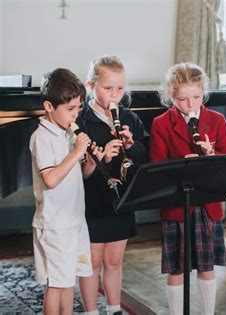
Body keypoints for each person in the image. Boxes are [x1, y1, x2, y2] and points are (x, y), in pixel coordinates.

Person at [149, 63, 226, 315]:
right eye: (182, 99)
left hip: (207, 205)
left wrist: (212, 155)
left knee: (207, 266)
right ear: (170, 97)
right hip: (177, 205)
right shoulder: (161, 123)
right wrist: (182, 165)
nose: (190, 105)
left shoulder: (216, 120)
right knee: (177, 268)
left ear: (203, 92)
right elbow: (157, 167)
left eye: (196, 97)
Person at [77, 55, 146, 315]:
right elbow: (78, 170)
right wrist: (103, 156)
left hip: (121, 201)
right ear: (91, 86)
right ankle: (91, 310)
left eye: (120, 88)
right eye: (108, 88)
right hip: (92, 202)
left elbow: (142, 159)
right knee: (91, 262)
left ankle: (114, 308)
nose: (115, 95)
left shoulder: (130, 119)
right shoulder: (82, 120)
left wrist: (132, 146)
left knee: (114, 261)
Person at [30, 68, 94, 314]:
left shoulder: (67, 132)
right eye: (70, 109)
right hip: (55, 224)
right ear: (49, 105)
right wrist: (76, 151)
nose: (75, 115)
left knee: (69, 281)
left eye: (78, 107)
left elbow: (79, 174)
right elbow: (52, 180)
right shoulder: (42, 137)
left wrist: (88, 161)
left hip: (74, 219)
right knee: (56, 286)